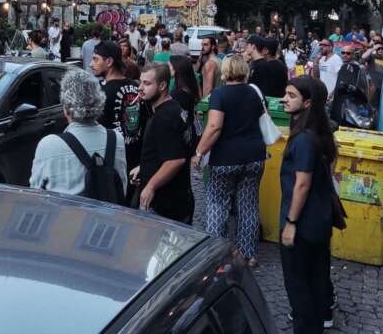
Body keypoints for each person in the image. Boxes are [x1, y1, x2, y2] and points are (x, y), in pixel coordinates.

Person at [192, 55, 266, 267]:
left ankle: (217, 255)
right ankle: (248, 255)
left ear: (225, 72)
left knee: (217, 204)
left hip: (225, 158)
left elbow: (214, 127)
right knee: (249, 206)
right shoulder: (254, 92)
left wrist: (199, 152)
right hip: (254, 156)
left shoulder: (220, 94)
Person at [279, 76, 337, 333]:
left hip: (303, 222)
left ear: (308, 103)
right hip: (319, 219)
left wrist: (291, 222)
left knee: (299, 283)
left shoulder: (303, 139)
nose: (284, 99)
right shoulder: (321, 133)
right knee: (316, 277)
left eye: (291, 95)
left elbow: (302, 183)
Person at [30, 69, 127, 196]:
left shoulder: (48, 144)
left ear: (66, 108)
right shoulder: (116, 139)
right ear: (99, 102)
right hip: (105, 215)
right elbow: (122, 188)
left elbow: (35, 192)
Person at [132, 64, 194, 222]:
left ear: (162, 85)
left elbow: (175, 160)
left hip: (166, 206)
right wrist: (145, 167)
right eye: (140, 82)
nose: (140, 88)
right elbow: (171, 147)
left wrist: (151, 186)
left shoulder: (164, 117)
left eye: (147, 84)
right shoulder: (173, 106)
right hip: (177, 199)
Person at [91, 40, 143, 176]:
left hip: (112, 163)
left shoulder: (100, 93)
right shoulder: (136, 87)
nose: (91, 64)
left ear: (109, 62)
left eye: (95, 59)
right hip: (135, 160)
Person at [329, 44, 366, 124]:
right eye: (343, 53)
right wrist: (331, 94)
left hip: (349, 105)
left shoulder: (357, 68)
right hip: (338, 102)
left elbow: (360, 87)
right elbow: (339, 83)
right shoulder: (343, 66)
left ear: (353, 55)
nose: (345, 55)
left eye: (348, 53)